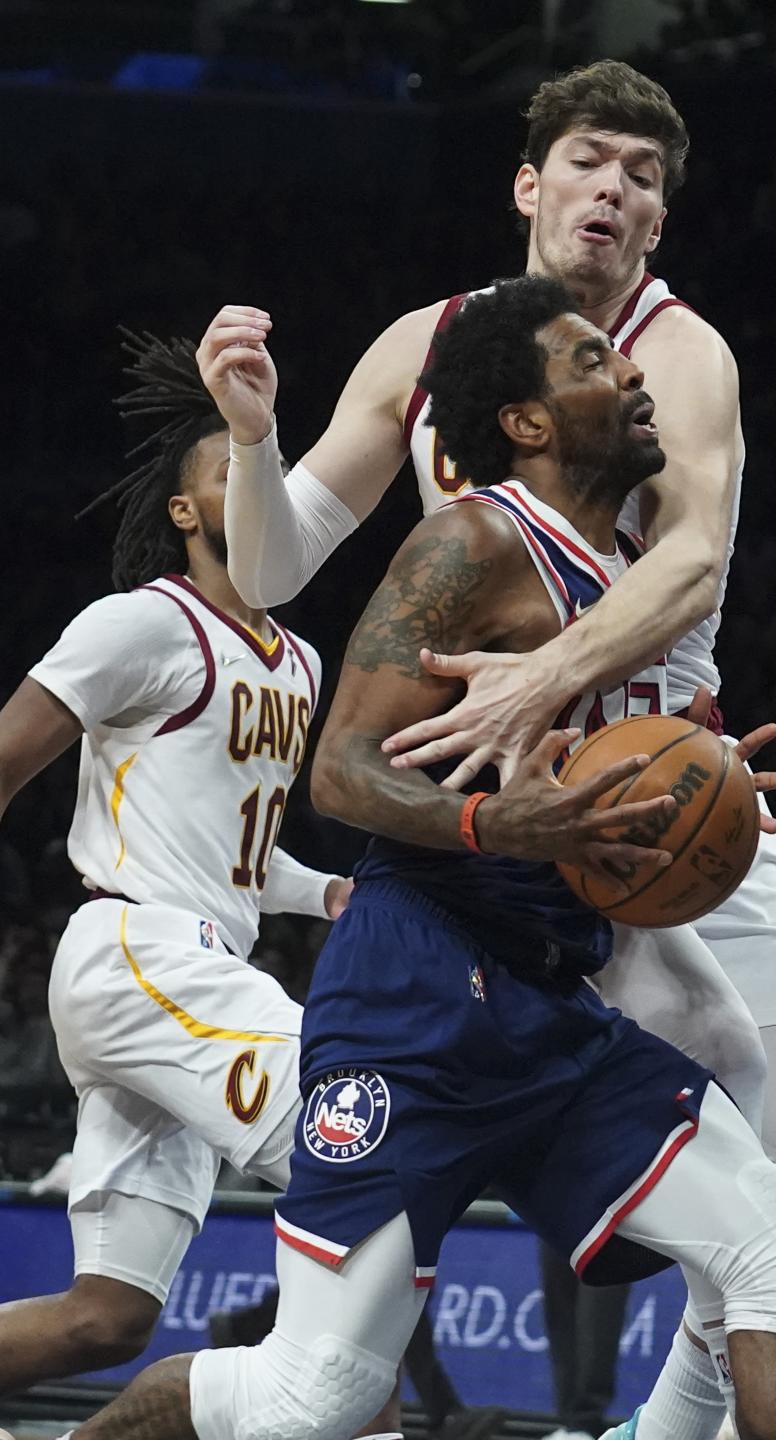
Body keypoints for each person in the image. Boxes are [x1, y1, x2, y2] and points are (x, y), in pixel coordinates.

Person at [60, 277, 776, 1440]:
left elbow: (577, 767)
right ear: (527, 424)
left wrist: (699, 780)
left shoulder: (607, 588)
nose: (634, 375)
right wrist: (500, 826)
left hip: (549, 999)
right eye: (593, 363)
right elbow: (341, 773)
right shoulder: (471, 540)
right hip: (417, 1002)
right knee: (309, 1399)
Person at [0, 332, 350, 1395]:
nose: (262, 486)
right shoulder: (141, 624)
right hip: (138, 949)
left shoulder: (299, 661)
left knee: (104, 1322)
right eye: (229, 473)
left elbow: (234, 845)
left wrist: (322, 890)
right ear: (189, 514)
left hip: (194, 966)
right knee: (357, 1134)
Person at [539, 1240, 630, 1440]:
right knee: (560, 1309)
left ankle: (587, 1420)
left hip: (611, 1219)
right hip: (555, 1213)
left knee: (598, 1313)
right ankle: (570, 1422)